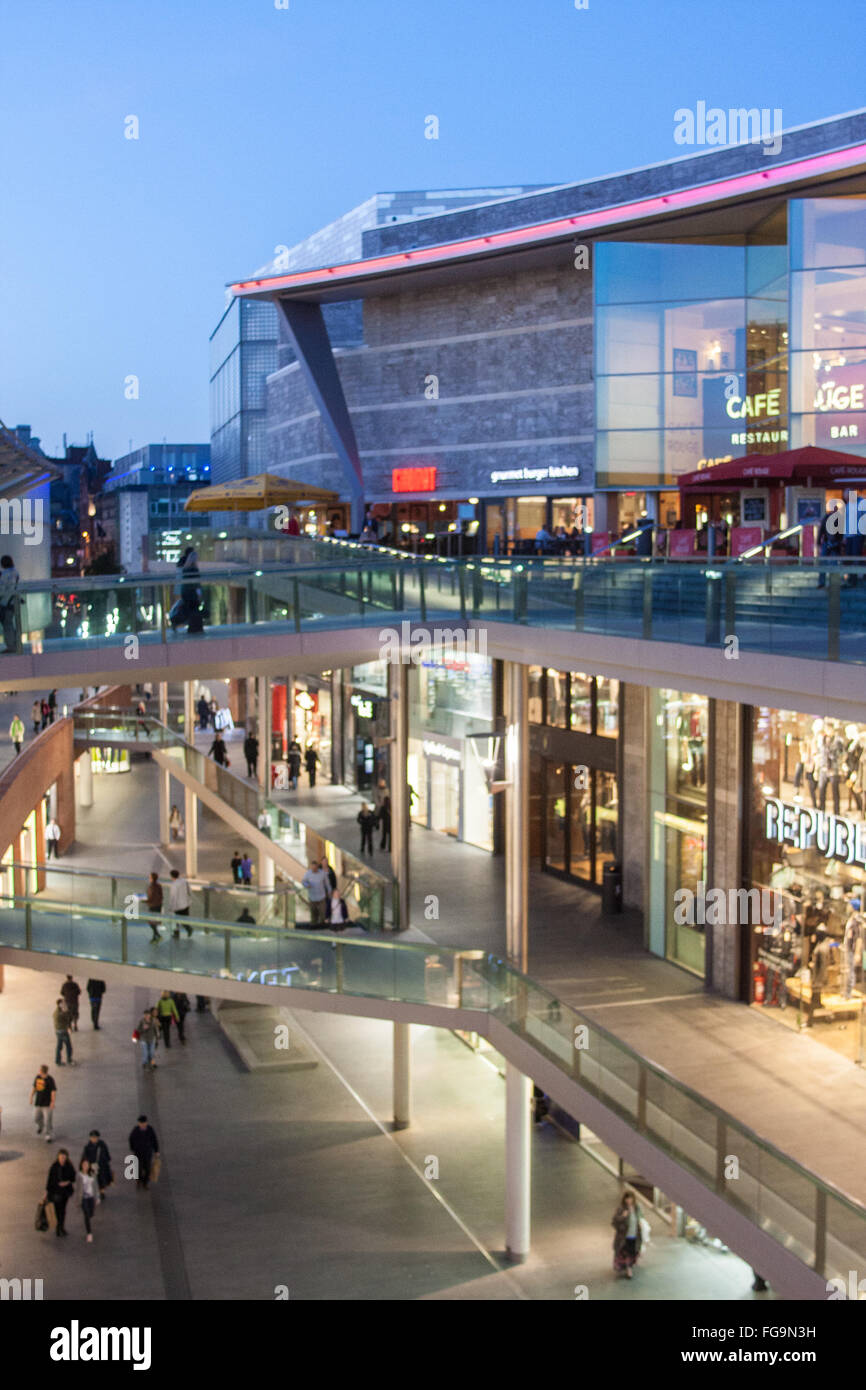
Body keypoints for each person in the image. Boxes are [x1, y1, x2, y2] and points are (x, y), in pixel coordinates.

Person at [611, 1190, 644, 1279]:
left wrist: (640, 1223)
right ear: (624, 1199)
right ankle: (628, 1270)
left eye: (630, 1198)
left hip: (635, 1235)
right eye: (627, 1199)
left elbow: (641, 1217)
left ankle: (628, 1266)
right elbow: (614, 1221)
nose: (629, 1200)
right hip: (624, 1236)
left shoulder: (637, 1208)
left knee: (632, 1252)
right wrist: (623, 1216)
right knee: (626, 1253)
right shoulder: (621, 1208)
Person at [45, 1149, 75, 1236]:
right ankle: (59, 1228)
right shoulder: (54, 1167)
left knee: (63, 1210)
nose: (62, 1159)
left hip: (65, 1192)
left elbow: (73, 1177)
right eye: (61, 1157)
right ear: (58, 1157)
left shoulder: (69, 1166)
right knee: (58, 1211)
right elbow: (49, 1181)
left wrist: (67, 1182)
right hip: (56, 1192)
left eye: (64, 1157)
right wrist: (47, 1192)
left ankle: (61, 1227)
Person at [129, 1115, 159, 1189]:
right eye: (140, 1123)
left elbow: (154, 1140)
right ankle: (139, 1180)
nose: (142, 1124)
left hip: (147, 1153)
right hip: (138, 1153)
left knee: (147, 1168)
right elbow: (131, 1139)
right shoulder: (136, 1130)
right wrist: (133, 1148)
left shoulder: (150, 1129)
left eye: (143, 1123)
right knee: (138, 1168)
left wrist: (156, 1150)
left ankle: (145, 1182)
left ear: (146, 1123)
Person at [81, 1130, 113, 1199]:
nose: (94, 1139)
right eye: (92, 1137)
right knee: (93, 1180)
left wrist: (106, 1161)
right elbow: (85, 1158)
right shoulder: (87, 1147)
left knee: (102, 1179)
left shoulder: (102, 1145)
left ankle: (102, 1192)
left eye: (95, 1137)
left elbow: (106, 1154)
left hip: (102, 1166)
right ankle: (95, 1192)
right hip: (92, 1167)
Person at [30, 1064, 57, 1140]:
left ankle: (48, 1134)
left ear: (42, 1071)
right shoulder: (37, 1077)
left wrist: (52, 1102)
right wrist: (31, 1097)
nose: (39, 1071)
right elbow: (34, 1087)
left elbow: (53, 1091)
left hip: (47, 1104)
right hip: (38, 1102)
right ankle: (41, 1125)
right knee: (36, 1118)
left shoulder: (50, 1080)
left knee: (48, 1120)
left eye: (40, 1070)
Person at [0, 554, 20, 652]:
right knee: (11, 624)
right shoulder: (15, 572)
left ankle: (11, 646)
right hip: (13, 602)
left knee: (7, 625)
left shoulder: (5, 574)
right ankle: (15, 645)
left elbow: (2, 589)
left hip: (5, 603)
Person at [77, 1158, 100, 1242]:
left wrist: (97, 1197)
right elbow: (77, 1189)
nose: (85, 1166)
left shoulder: (92, 1173)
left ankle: (89, 1217)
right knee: (86, 1214)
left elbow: (96, 1186)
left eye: (87, 1165)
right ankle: (89, 1233)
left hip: (91, 1197)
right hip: (83, 1198)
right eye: (84, 1165)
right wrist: (77, 1201)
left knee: (91, 1213)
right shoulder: (79, 1175)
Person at [302, 859, 330, 926]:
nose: (314, 869)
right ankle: (314, 926)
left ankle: (322, 925)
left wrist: (330, 892)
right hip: (312, 897)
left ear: (317, 867)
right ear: (311, 867)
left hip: (321, 897)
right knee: (314, 913)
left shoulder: (322, 873)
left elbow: (327, 883)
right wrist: (307, 885)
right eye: (312, 868)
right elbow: (303, 882)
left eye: (315, 867)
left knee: (323, 913)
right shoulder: (308, 874)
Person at [167, 868, 192, 938]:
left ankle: (177, 934)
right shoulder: (184, 881)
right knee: (185, 919)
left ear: (172, 876)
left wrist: (170, 907)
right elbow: (189, 891)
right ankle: (188, 929)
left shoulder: (174, 885)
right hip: (186, 904)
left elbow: (173, 897)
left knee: (176, 920)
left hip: (178, 906)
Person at [53, 997, 74, 1066]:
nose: (65, 1004)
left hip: (58, 1031)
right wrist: (67, 1011)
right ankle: (69, 1060)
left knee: (59, 1046)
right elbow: (68, 1019)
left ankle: (57, 1061)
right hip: (63, 1031)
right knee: (68, 1046)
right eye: (63, 1003)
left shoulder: (56, 1011)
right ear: (60, 1004)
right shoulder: (60, 1013)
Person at [145, 871, 163, 942]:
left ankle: (157, 935)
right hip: (158, 905)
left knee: (151, 922)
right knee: (154, 922)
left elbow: (150, 898)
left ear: (152, 878)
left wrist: (142, 900)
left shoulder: (151, 886)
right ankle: (156, 936)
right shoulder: (159, 886)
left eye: (150, 877)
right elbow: (161, 896)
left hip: (153, 906)